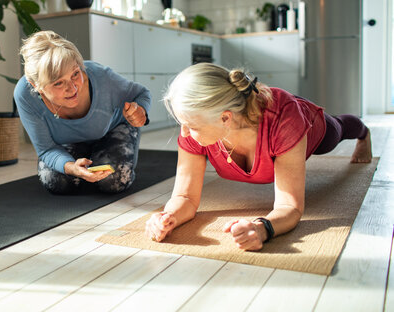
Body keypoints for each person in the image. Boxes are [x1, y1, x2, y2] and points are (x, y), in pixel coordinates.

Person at [144, 63, 372, 251]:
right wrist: (167, 217)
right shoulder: (197, 133)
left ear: (225, 118)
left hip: (307, 125)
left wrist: (263, 227)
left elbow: (289, 207)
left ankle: (364, 133)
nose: (183, 133)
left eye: (191, 125)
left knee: (339, 129)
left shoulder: (286, 121)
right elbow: (185, 196)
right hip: (258, 108)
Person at [15, 30, 151, 195]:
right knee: (56, 182)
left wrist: (140, 111)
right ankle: (88, 161)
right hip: (70, 142)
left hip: (112, 129)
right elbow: (46, 149)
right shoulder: (25, 94)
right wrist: (73, 168)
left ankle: (101, 158)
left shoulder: (102, 77)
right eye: (59, 83)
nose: (72, 88)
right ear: (35, 85)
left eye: (75, 74)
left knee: (113, 182)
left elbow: (141, 93)